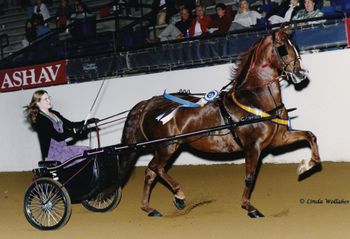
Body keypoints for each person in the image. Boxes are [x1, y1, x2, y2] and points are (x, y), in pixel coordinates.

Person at [25, 90, 99, 164]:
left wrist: (88, 121)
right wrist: (75, 131)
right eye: (45, 99)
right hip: (52, 154)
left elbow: (70, 124)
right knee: (84, 153)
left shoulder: (55, 113)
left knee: (87, 151)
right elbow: (58, 137)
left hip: (63, 149)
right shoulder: (40, 119)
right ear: (38, 103)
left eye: (49, 98)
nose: (49, 101)